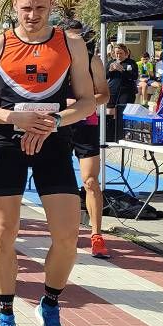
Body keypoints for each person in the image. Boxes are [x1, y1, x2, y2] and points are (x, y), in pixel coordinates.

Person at [0, 0, 96, 326]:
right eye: (26, 8)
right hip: (8, 141)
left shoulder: (71, 44)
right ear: (15, 7)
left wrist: (54, 121)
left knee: (68, 235)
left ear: (51, 5)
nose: (33, 15)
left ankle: (50, 305)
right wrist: (13, 119)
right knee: (4, 232)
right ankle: (6, 316)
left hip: (54, 140)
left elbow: (88, 101)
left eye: (40, 7)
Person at [61, 22, 112, 259]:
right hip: (60, 125)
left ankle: (96, 235)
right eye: (70, 40)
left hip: (86, 126)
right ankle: (64, 233)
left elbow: (104, 94)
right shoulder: (56, 61)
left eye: (79, 40)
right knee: (61, 184)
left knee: (91, 181)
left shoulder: (93, 61)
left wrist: (85, 103)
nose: (75, 44)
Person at [106, 43, 138, 109]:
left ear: (125, 53)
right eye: (117, 53)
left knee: (122, 112)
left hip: (127, 91)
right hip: (112, 90)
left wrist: (122, 70)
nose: (118, 55)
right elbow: (105, 76)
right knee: (109, 112)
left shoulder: (131, 63)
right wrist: (110, 71)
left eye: (121, 53)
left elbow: (134, 77)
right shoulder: (111, 62)